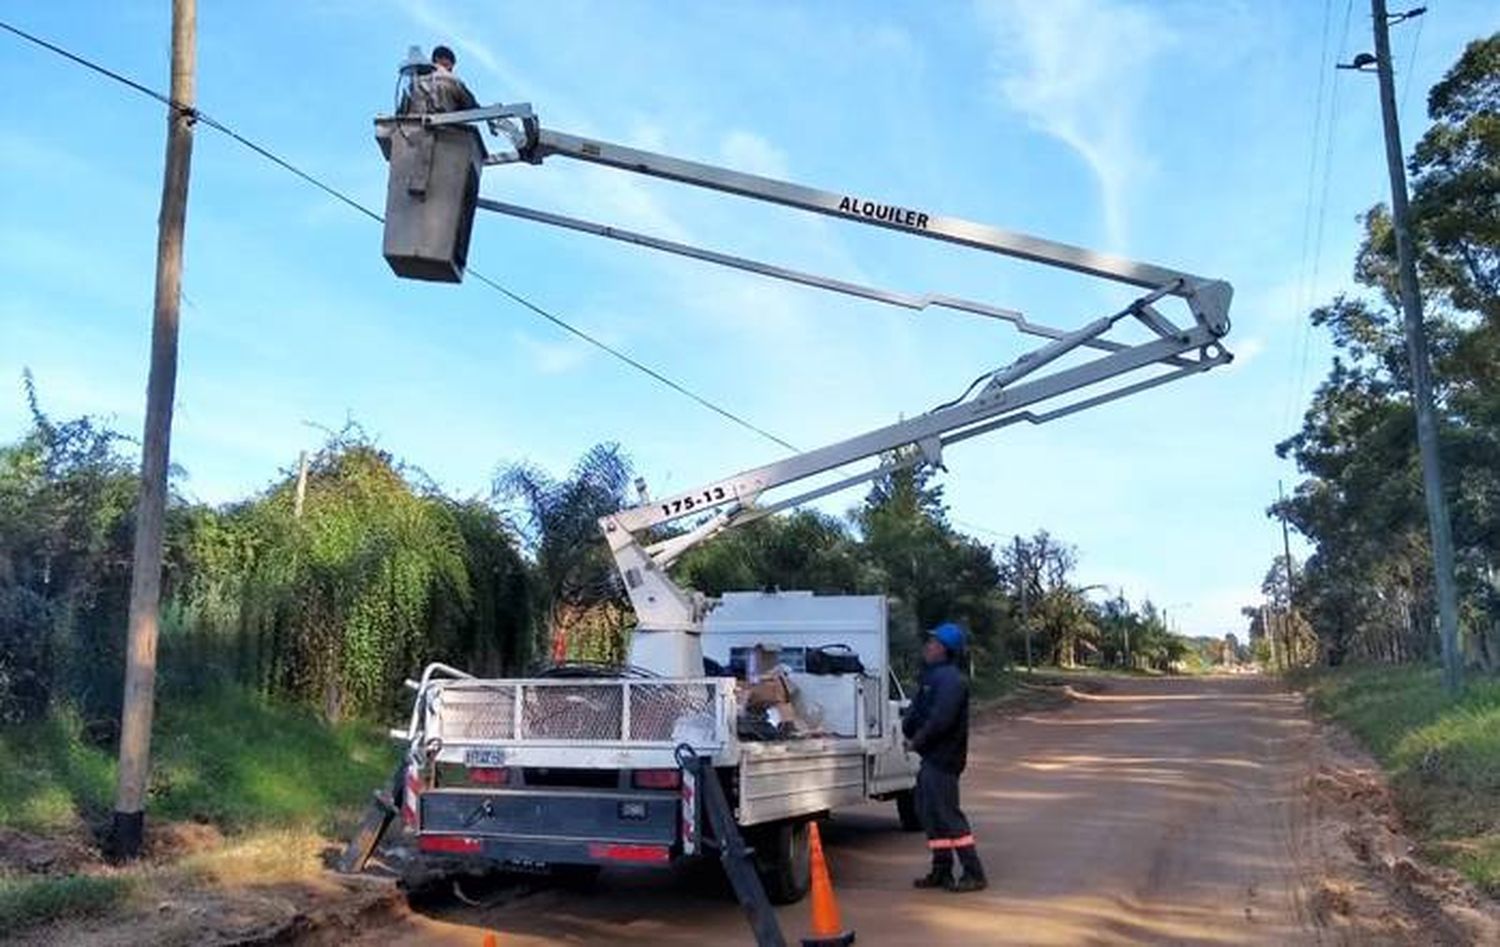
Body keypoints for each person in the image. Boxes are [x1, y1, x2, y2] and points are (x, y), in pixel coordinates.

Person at [902, 622, 987, 893]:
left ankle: (974, 873)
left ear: (946, 649)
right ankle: (941, 871)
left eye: (934, 642)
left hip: (943, 759)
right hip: (931, 758)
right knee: (929, 814)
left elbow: (941, 720)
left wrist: (917, 740)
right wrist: (909, 727)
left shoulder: (951, 680)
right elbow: (919, 711)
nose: (928, 646)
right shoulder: (932, 676)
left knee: (948, 816)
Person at [398, 44, 479, 116]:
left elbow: (400, 113)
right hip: (446, 130)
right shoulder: (452, 79)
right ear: (438, 59)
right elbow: (471, 105)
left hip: (413, 131)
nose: (450, 70)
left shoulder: (413, 82)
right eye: (449, 66)